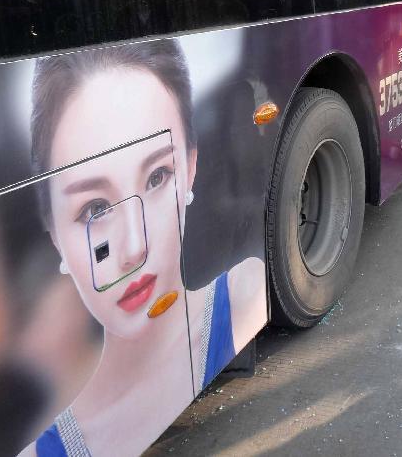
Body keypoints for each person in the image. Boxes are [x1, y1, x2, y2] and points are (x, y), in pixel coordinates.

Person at [24, 41, 266, 456]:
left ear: (190, 168)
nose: (135, 248)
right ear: (55, 235)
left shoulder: (247, 291)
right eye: (95, 209)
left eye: (157, 177)